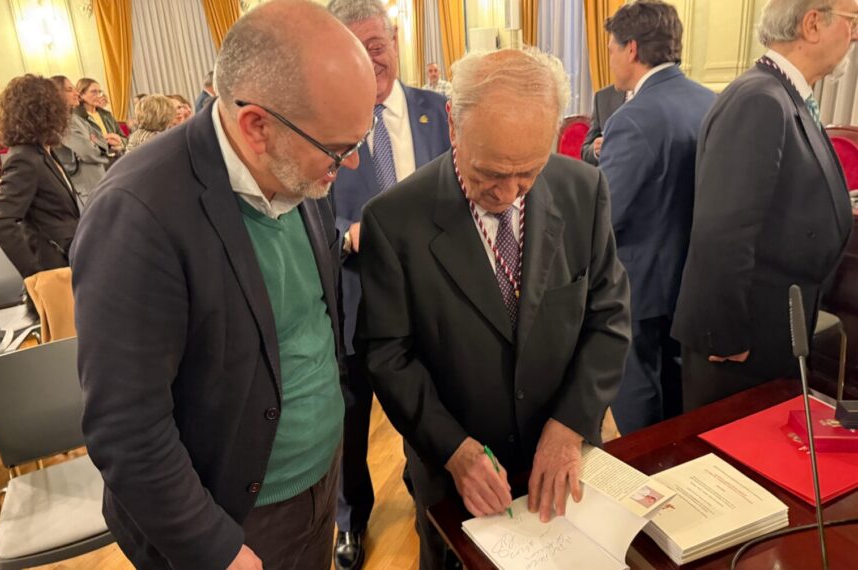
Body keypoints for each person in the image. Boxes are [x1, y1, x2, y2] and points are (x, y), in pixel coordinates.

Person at [70, 1, 376, 568]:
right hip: (233, 518)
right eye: (338, 149)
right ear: (257, 126)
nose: (351, 164)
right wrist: (215, 548)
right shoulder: (138, 212)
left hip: (319, 481)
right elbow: (127, 428)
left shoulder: (298, 164)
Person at [357, 48, 631, 570]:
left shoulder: (583, 189)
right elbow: (387, 356)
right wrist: (454, 449)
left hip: (562, 458)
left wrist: (569, 425)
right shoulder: (393, 220)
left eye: (528, 172)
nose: (507, 193)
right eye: (489, 172)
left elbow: (609, 316)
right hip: (454, 472)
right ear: (453, 124)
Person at [673, 0, 857, 410]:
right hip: (741, 347)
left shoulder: (784, 95)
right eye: (852, 21)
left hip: (771, 327)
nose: (856, 34)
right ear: (812, 24)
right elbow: (724, 230)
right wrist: (727, 336)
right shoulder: (761, 100)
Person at [325, 2, 451, 568]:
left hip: (430, 300)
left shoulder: (440, 112)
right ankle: (350, 518)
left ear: (395, 41)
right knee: (351, 421)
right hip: (354, 300)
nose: (368, 59)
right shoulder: (323, 119)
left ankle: (426, 491)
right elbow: (303, 206)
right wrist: (344, 233)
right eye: (353, 49)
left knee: (428, 406)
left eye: (376, 44)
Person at [598, 1, 715, 434]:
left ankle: (644, 465)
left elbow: (606, 213)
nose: (610, 58)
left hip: (641, 283)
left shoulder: (633, 118)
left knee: (638, 396)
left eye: (611, 49)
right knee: (679, 389)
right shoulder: (711, 101)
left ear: (631, 48)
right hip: (693, 275)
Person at [0, 74, 80, 280]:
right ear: (46, 111)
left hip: (70, 260)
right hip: (53, 270)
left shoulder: (43, 151)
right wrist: (35, 274)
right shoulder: (24, 158)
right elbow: (1, 221)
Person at [50, 75, 108, 205]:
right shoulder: (63, 122)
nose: (76, 93)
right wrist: (94, 145)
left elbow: (102, 142)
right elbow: (88, 152)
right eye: (69, 90)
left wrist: (94, 143)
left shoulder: (76, 119)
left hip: (97, 182)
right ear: (57, 94)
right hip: (86, 188)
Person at [75, 78, 126, 153]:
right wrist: (101, 141)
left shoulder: (107, 115)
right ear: (81, 95)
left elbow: (124, 138)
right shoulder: (77, 117)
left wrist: (120, 142)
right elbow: (80, 146)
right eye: (93, 92)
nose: (98, 96)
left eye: (99, 92)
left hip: (116, 155)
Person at [580, 84, 627, 166]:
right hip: (609, 171)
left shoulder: (651, 95)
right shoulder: (603, 96)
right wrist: (596, 150)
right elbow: (586, 151)